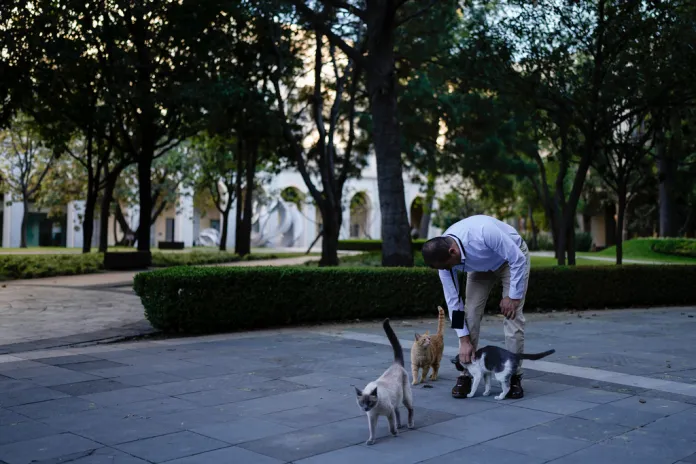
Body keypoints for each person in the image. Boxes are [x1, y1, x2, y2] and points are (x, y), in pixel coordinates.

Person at [421, 215, 531, 399]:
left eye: (448, 267)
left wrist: (513, 297)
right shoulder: (444, 263)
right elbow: (453, 302)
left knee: (513, 316)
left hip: (511, 260)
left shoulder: (484, 232)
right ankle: (466, 373)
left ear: (453, 251)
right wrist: (463, 340)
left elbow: (518, 259)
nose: (447, 271)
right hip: (480, 267)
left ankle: (514, 376)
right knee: (470, 314)